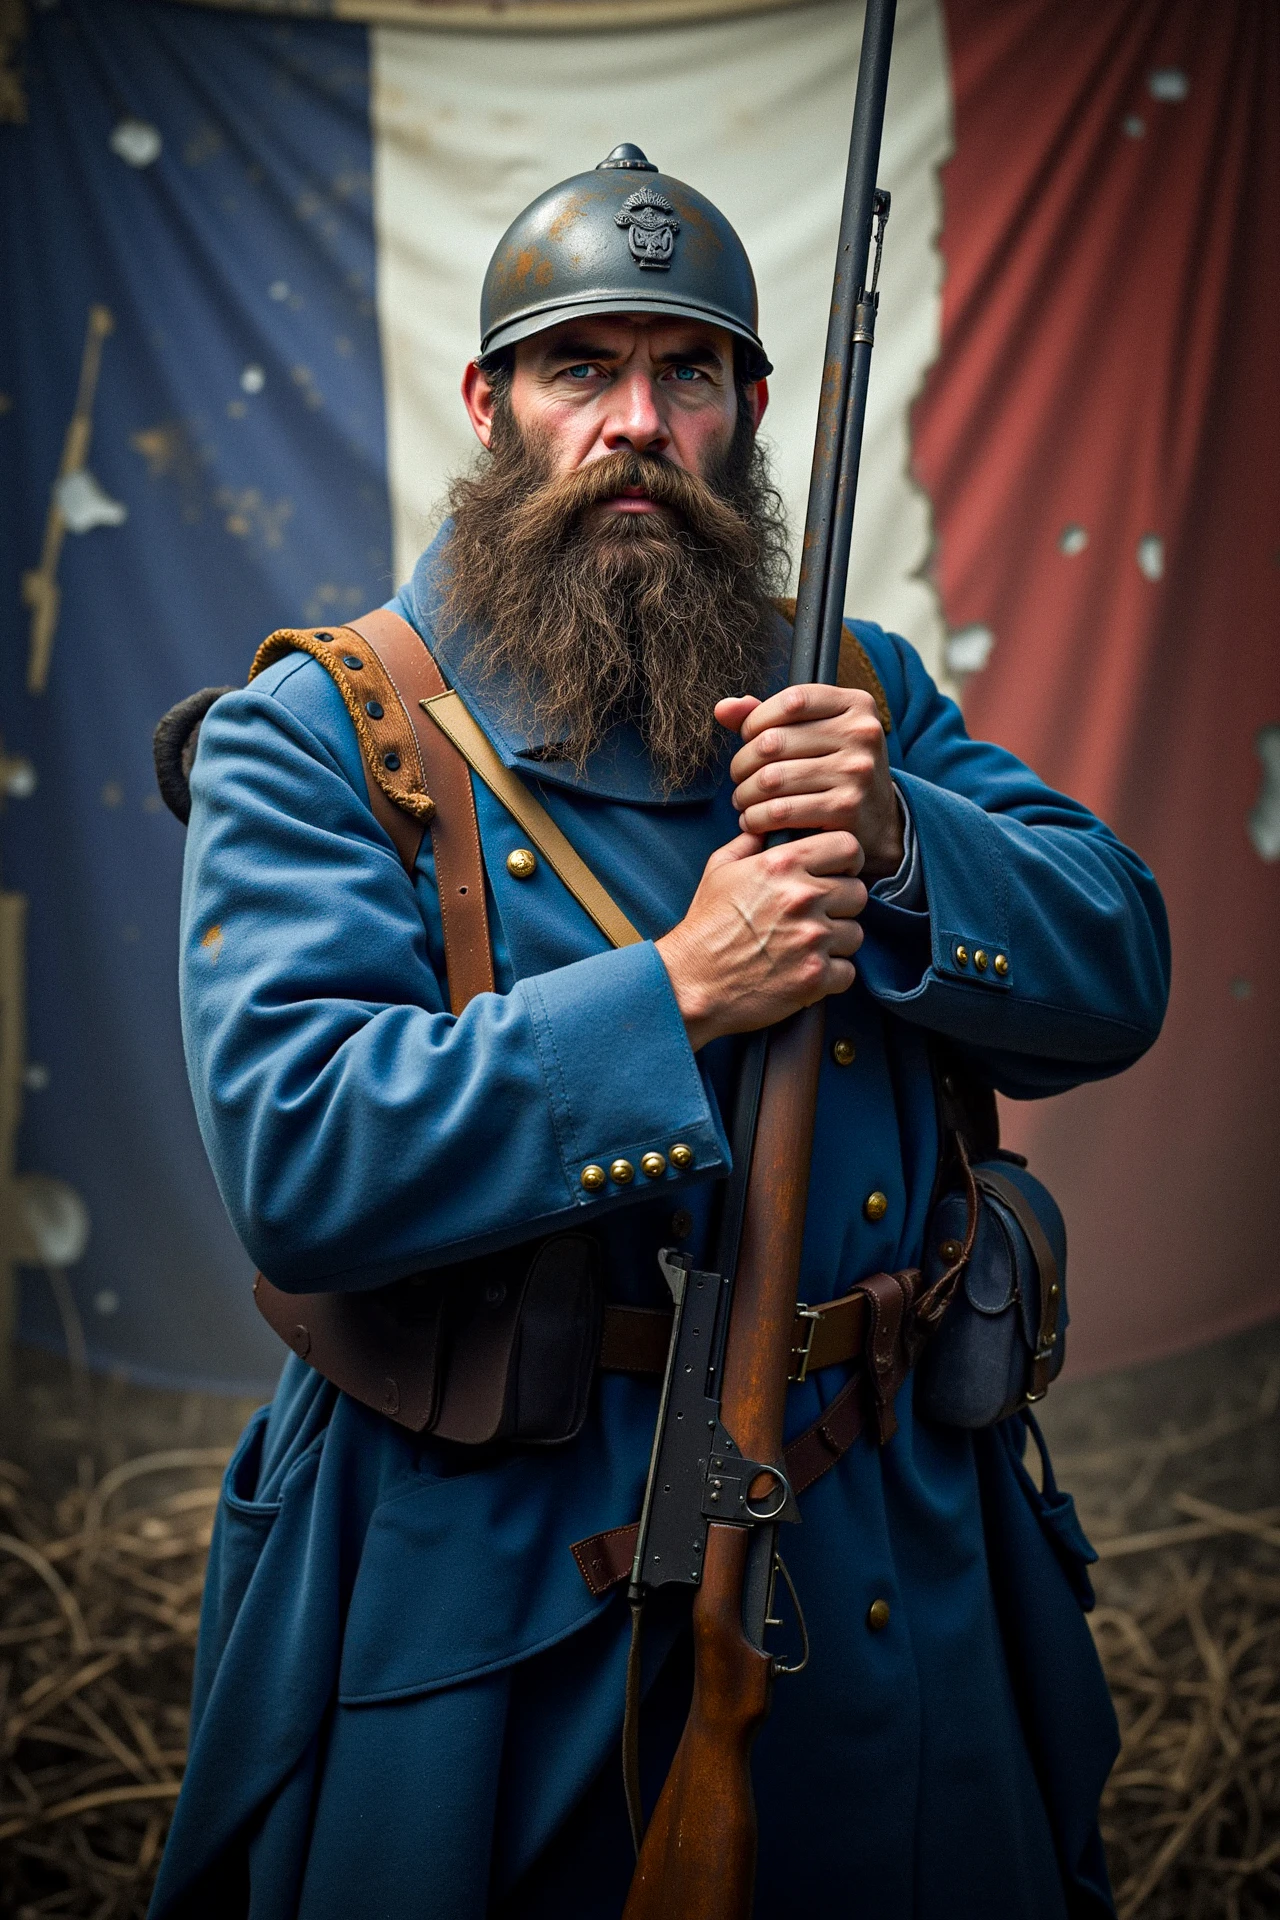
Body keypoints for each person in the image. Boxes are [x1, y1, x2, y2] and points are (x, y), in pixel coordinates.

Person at [151, 146, 1170, 1919]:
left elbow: (1121, 968)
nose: (636, 420)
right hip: (510, 1612)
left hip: (902, 1579)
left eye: (685, 370)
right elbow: (301, 1162)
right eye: (579, 368)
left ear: (746, 410)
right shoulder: (315, 735)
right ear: (490, 404)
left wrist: (904, 837)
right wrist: (681, 988)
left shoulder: (854, 688)